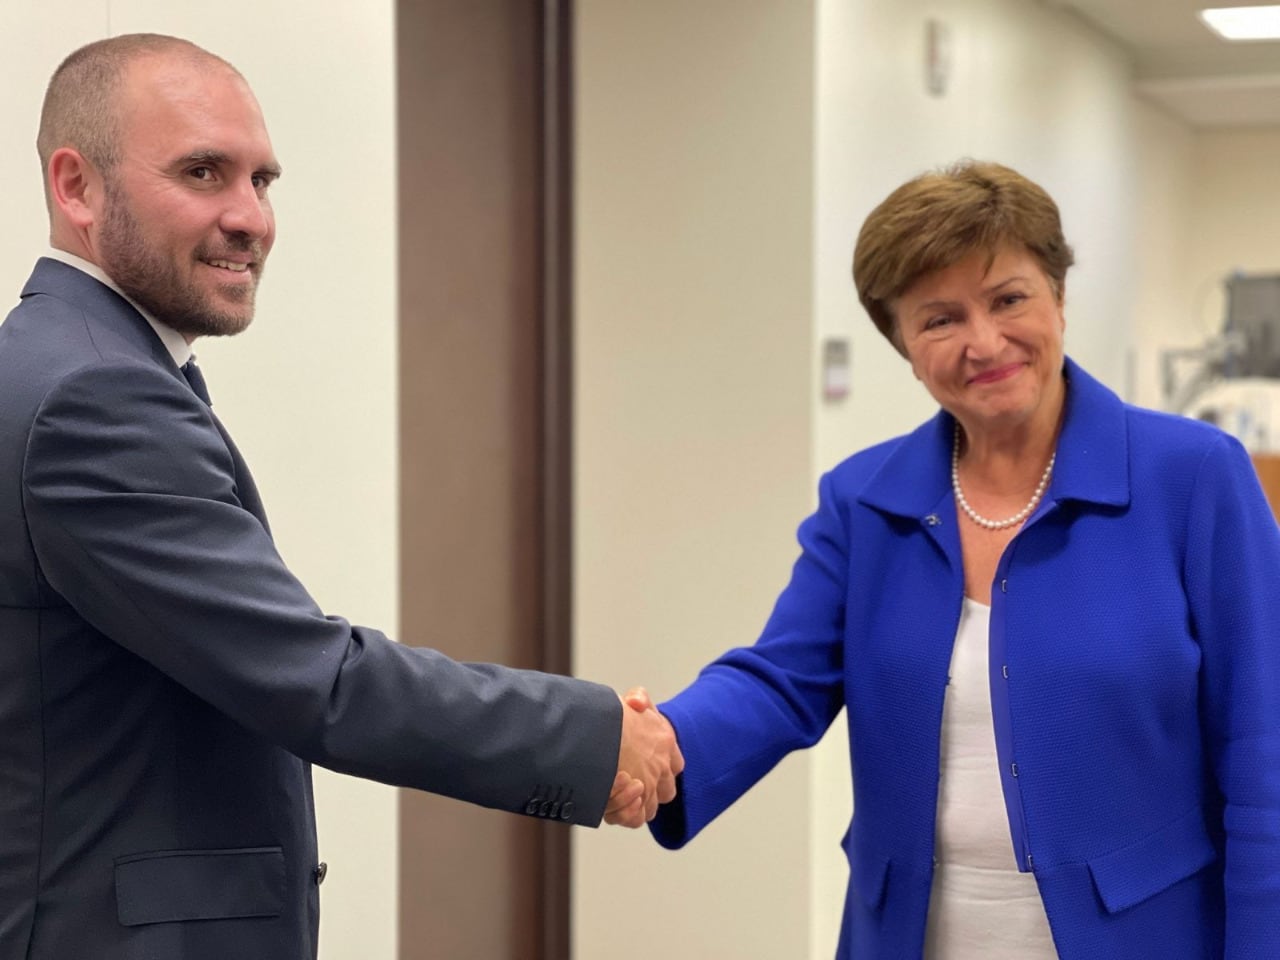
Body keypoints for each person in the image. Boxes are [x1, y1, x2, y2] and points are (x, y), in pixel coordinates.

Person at [0, 34, 680, 959]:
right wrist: (596, 741)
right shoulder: (92, 396)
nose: (252, 218)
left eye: (262, 180)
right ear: (75, 186)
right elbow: (315, 681)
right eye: (203, 173)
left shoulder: (66, 364)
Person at [628, 160, 1280, 958]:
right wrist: (655, 742)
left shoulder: (1193, 476)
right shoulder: (866, 499)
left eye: (1009, 299)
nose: (984, 342)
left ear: (1060, 298)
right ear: (902, 343)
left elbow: (1264, 746)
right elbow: (779, 681)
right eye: (940, 319)